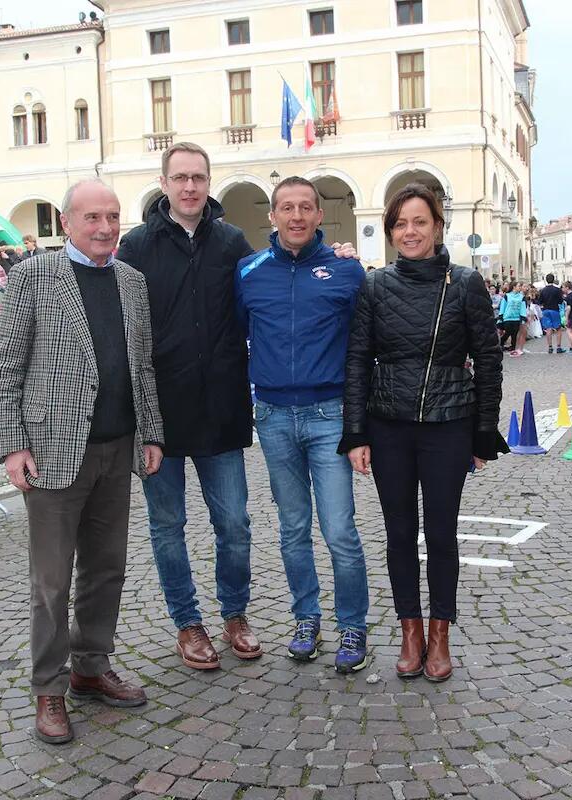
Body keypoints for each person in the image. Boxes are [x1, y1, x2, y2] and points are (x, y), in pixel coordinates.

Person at [0, 179, 164, 744]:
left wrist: (151, 435)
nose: (105, 227)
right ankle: (49, 688)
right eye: (92, 217)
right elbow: (6, 367)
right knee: (51, 581)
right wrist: (13, 444)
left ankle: (91, 665)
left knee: (107, 568)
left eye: (113, 216)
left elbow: (142, 367)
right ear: (66, 222)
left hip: (117, 449)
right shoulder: (33, 277)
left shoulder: (131, 282)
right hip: (52, 455)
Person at [341, 183, 508, 682]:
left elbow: (489, 358)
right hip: (388, 426)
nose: (409, 231)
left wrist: (483, 433)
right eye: (400, 224)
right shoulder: (374, 285)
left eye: (419, 222)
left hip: (447, 425)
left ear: (438, 226)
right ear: (390, 231)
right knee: (398, 535)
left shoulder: (465, 284)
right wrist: (356, 434)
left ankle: (440, 633)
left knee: (440, 534)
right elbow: (357, 361)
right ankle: (409, 629)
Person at [114, 142, 260, 671]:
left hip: (220, 409)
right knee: (167, 528)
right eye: (181, 178)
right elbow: (119, 326)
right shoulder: (136, 246)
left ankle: (236, 614)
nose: (190, 186)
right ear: (165, 182)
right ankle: (188, 623)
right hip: (160, 416)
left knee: (235, 525)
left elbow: (264, 299)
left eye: (198, 177)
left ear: (209, 182)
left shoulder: (232, 242)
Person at [235, 176, 371, 673]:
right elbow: (239, 338)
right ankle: (306, 618)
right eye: (286, 208)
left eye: (305, 207)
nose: (296, 216)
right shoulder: (248, 271)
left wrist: (362, 424)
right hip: (272, 416)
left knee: (339, 530)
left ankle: (352, 624)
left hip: (329, 415)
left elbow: (364, 349)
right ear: (272, 216)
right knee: (293, 529)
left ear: (319, 216)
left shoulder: (346, 271)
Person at [538, 273, 565, 354]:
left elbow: (540, 301)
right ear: (553, 280)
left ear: (546, 280)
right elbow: (561, 301)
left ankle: (550, 347)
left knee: (548, 329)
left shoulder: (543, 290)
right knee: (558, 328)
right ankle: (559, 347)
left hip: (546, 310)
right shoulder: (557, 290)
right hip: (554, 310)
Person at [498, 282, 526, 357]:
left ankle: (513, 349)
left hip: (516, 318)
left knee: (515, 334)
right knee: (508, 332)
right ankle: (501, 342)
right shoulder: (507, 296)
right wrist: (500, 316)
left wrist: (523, 317)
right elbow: (503, 306)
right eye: (519, 286)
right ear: (514, 287)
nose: (520, 287)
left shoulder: (521, 297)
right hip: (507, 317)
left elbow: (522, 307)